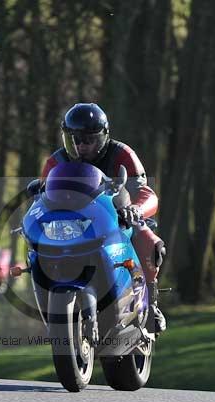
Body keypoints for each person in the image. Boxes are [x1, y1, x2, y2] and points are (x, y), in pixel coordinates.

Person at [38, 103, 167, 333]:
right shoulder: (55, 163)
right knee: (37, 248)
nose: (80, 147)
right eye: (74, 140)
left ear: (104, 136)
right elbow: (41, 197)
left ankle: (151, 302)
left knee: (147, 239)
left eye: (88, 140)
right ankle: (53, 307)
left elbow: (144, 191)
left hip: (117, 217)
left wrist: (135, 209)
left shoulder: (122, 154)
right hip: (73, 224)